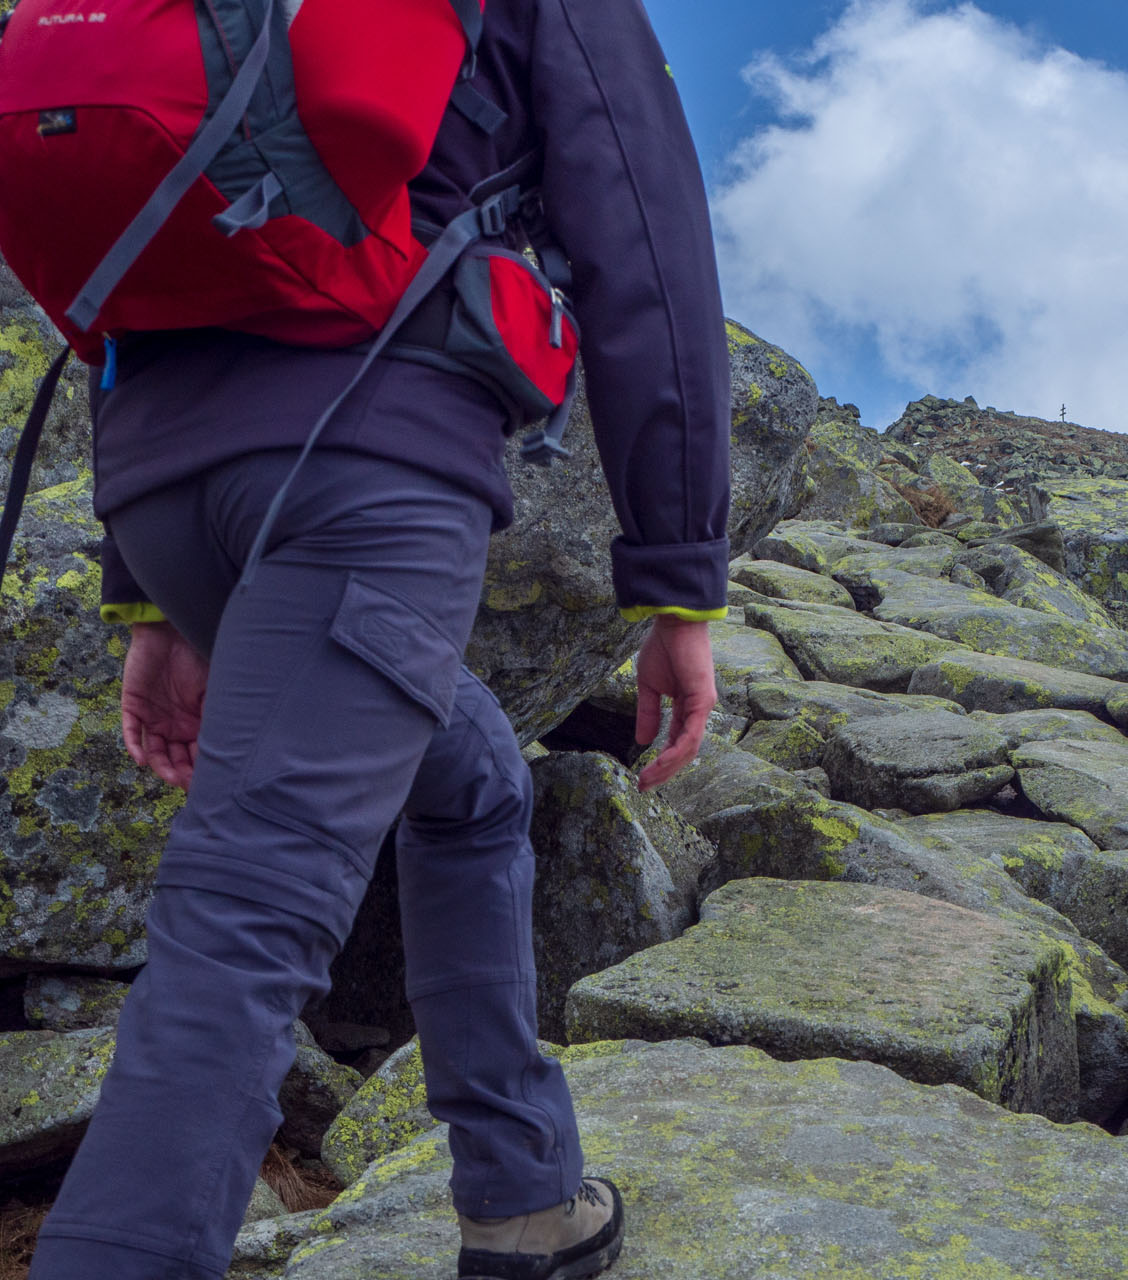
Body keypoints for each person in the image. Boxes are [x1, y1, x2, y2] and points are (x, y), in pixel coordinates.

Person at [26, 0, 729, 1277]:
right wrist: (677, 588)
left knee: (474, 778)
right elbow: (648, 247)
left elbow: (145, 259)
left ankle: (520, 1193)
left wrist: (153, 593)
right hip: (366, 473)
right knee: (243, 927)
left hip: (170, 491)